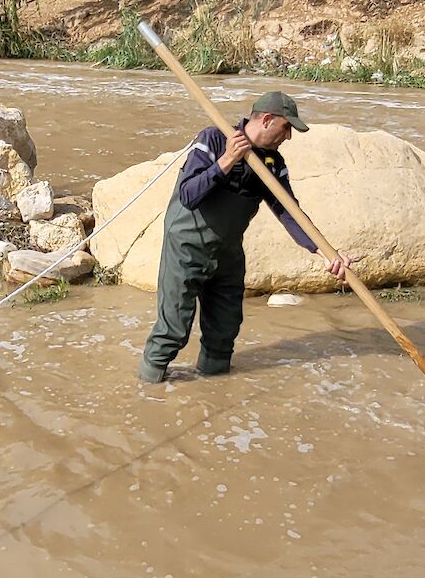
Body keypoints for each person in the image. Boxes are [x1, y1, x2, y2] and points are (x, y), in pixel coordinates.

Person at [138, 90, 350, 383]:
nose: (288, 137)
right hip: (187, 247)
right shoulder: (213, 139)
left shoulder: (273, 164)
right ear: (266, 120)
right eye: (286, 127)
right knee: (173, 329)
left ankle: (213, 391)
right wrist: (227, 160)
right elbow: (189, 195)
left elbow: (289, 212)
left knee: (224, 332)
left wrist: (326, 253)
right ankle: (148, 391)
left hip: (227, 254)